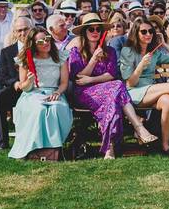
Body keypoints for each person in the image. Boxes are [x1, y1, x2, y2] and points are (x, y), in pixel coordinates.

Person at [68, 13, 158, 159]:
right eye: (91, 29)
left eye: (98, 29)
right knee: (116, 88)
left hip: (107, 90)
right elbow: (78, 78)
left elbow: (111, 74)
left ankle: (110, 149)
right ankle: (138, 129)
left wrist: (90, 80)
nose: (95, 32)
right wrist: (93, 60)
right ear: (85, 32)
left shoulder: (109, 51)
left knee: (113, 94)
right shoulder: (76, 51)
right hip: (84, 93)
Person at [119, 17, 169, 155]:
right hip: (133, 93)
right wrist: (140, 66)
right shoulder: (127, 51)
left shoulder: (155, 53)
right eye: (144, 32)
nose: (148, 34)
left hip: (150, 92)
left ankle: (165, 144)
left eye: (151, 31)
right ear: (136, 33)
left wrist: (164, 44)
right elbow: (130, 83)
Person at [8, 27, 72, 160]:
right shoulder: (26, 59)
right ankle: (35, 148)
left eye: (47, 39)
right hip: (32, 94)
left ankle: (54, 149)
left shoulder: (60, 57)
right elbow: (24, 87)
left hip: (55, 92)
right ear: (33, 44)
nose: (46, 43)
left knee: (56, 108)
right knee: (39, 110)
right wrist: (29, 81)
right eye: (41, 41)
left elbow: (64, 83)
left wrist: (58, 92)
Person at [0, 16, 33, 150]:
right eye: (19, 30)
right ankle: (2, 142)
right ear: (15, 33)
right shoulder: (7, 52)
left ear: (31, 29)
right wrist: (15, 83)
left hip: (35, 88)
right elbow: (2, 75)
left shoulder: (40, 47)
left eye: (26, 29)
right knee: (0, 97)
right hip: (16, 89)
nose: (23, 33)